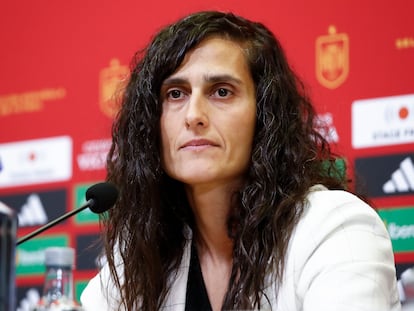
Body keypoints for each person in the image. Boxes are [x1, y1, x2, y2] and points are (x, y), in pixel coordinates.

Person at [80, 11, 401, 311]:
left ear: (264, 116)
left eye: (221, 92)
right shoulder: (141, 255)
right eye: (175, 94)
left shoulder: (334, 228)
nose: (194, 116)